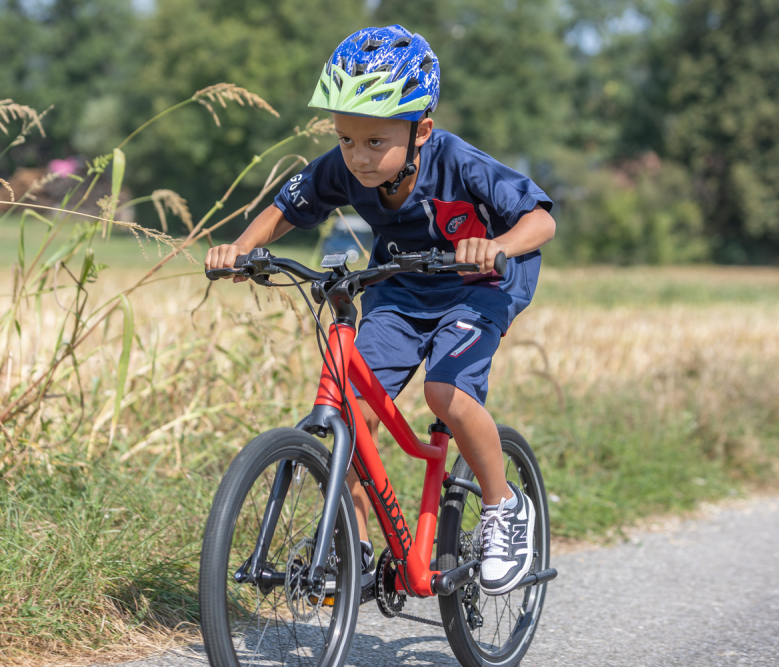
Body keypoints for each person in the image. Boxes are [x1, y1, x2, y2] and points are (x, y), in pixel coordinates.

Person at [205, 25, 556, 596]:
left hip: (477, 287)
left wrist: (497, 245)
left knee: (446, 393)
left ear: (421, 131)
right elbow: (287, 207)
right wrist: (241, 250)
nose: (358, 157)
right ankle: (355, 544)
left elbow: (541, 219)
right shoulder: (344, 168)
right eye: (345, 139)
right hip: (399, 290)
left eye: (374, 141)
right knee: (352, 410)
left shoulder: (458, 162)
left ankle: (504, 509)